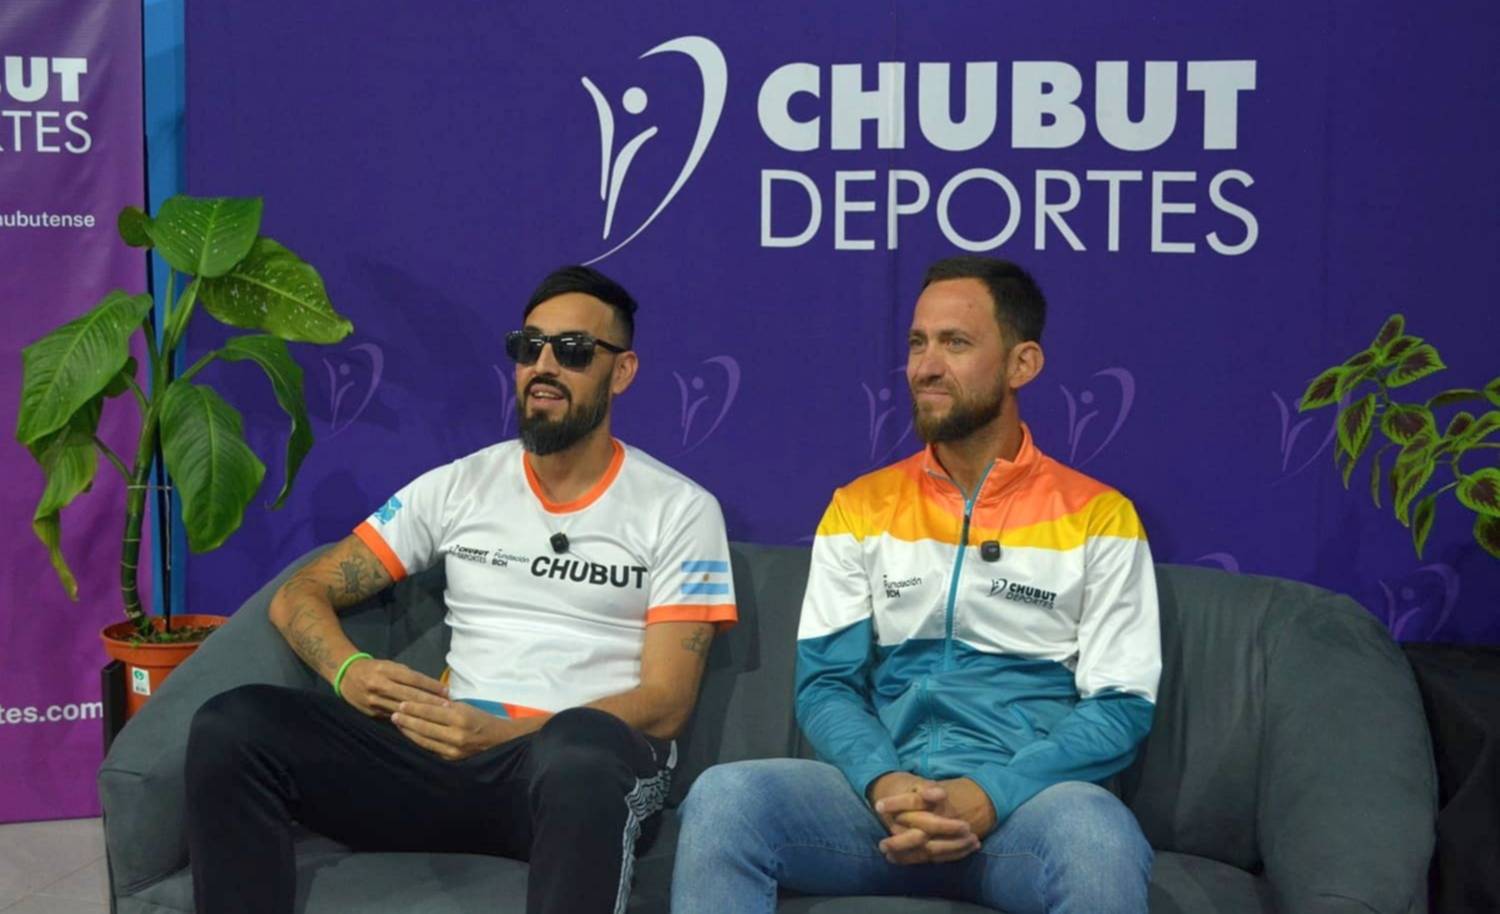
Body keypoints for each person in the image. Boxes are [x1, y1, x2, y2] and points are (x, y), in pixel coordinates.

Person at [184, 265, 737, 914]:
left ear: (622, 371)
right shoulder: (459, 487)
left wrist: (505, 733)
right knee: (234, 726)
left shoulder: (679, 509)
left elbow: (666, 703)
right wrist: (349, 670)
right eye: (529, 347)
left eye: (573, 350)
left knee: (579, 756)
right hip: (442, 755)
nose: (544, 366)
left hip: (567, 768)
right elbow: (298, 593)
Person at [672, 256, 1160, 914]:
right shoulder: (860, 507)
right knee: (725, 799)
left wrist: (990, 794)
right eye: (917, 343)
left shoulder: (1099, 516)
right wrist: (886, 783)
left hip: (1026, 813)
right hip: (880, 809)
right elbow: (826, 685)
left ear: (1022, 364)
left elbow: (1120, 706)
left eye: (955, 343)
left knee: (1098, 836)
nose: (925, 366)